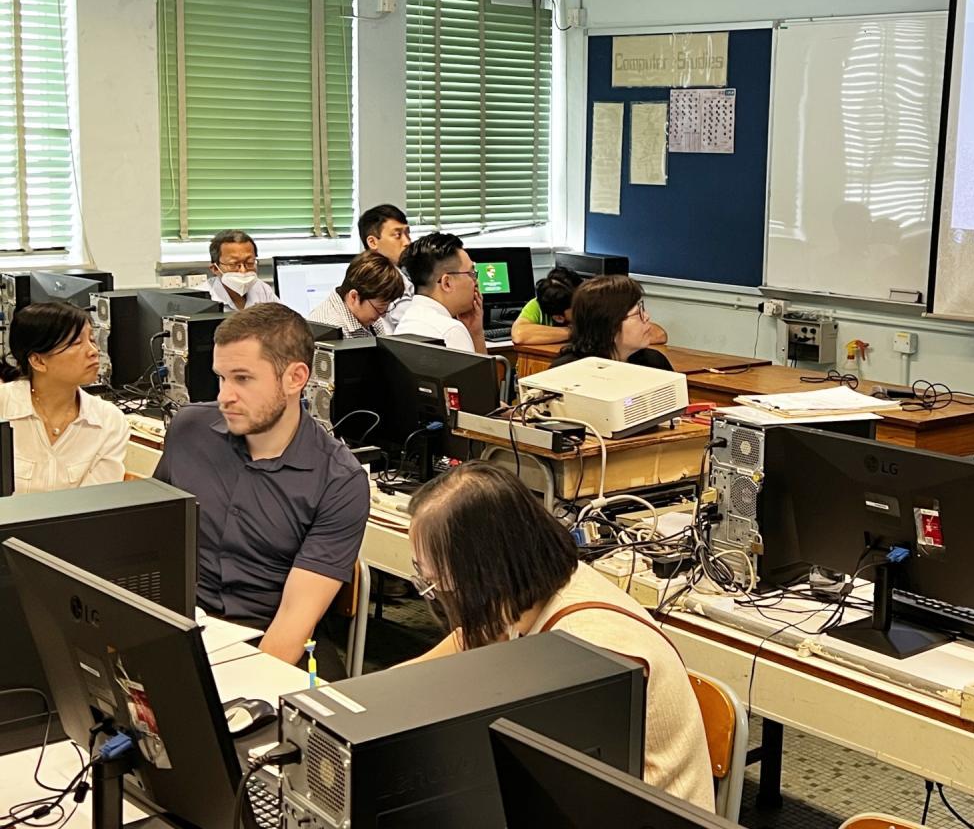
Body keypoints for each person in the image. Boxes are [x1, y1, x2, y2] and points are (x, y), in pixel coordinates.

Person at [403, 463, 716, 810]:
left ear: (482, 574)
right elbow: (469, 640)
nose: (435, 592)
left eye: (436, 581)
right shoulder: (530, 584)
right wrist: (374, 696)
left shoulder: (588, 651)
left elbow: (568, 796)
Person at [153, 304, 370, 667]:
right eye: (221, 378)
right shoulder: (189, 430)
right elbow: (151, 538)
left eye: (242, 379)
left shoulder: (339, 481)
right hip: (186, 624)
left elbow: (294, 623)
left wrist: (236, 687)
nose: (224, 396)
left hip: (269, 639)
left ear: (295, 378)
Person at [0, 302, 128, 494]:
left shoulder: (109, 421)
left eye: (92, 340)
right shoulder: (4, 404)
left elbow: (95, 502)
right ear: (38, 361)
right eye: (76, 343)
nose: (93, 351)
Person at [551, 275, 671, 370]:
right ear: (609, 326)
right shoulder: (567, 370)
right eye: (637, 313)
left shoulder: (654, 362)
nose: (647, 317)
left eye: (642, 308)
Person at [393, 232, 487, 354]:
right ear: (447, 283)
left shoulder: (407, 320)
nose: (476, 282)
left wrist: (475, 332)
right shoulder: (450, 331)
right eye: (471, 274)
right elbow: (481, 368)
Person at [306, 250, 405, 338]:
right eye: (379, 308)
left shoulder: (368, 315)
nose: (382, 315)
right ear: (354, 297)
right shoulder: (328, 331)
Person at [359, 204, 414, 328]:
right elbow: (414, 323)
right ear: (373, 242)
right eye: (398, 235)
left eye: (407, 233)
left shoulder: (363, 270)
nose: (407, 242)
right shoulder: (386, 279)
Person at [199, 229, 281, 311]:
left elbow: (283, 317)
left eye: (249, 263)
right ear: (215, 268)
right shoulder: (200, 298)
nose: (243, 271)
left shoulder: (262, 290)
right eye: (233, 264)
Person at [511, 266, 582, 346]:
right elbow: (519, 335)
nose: (584, 306)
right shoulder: (539, 304)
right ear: (559, 318)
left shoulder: (589, 300)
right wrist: (573, 332)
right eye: (577, 306)